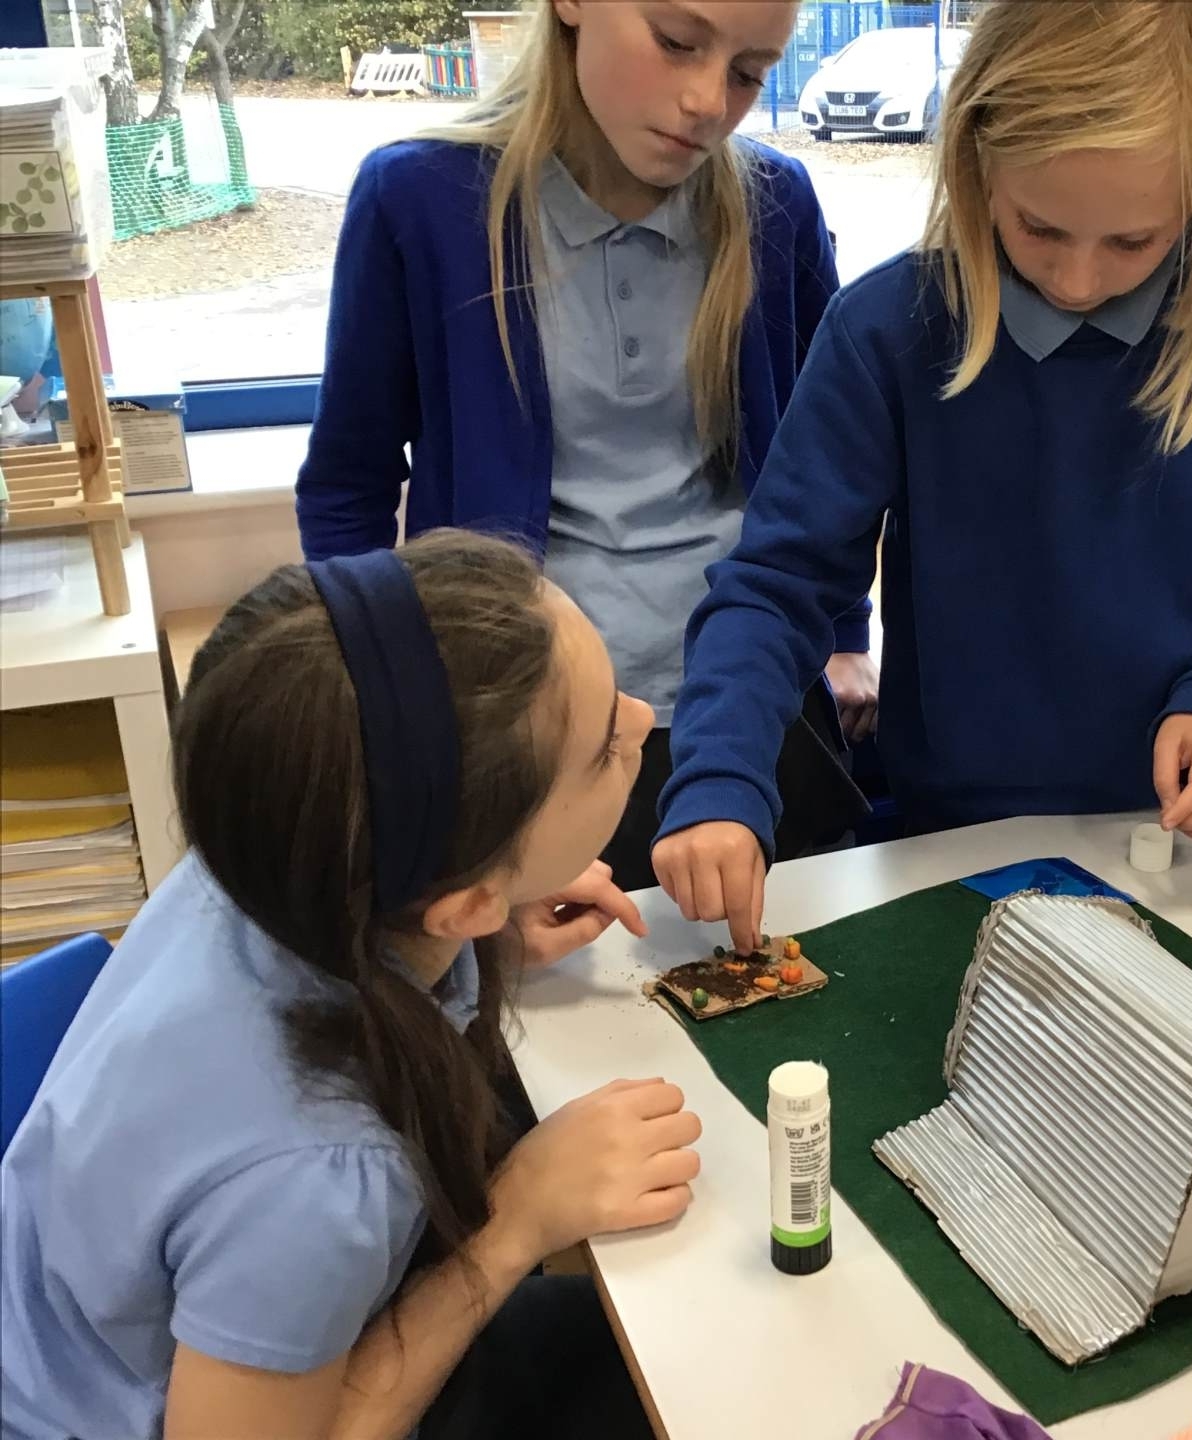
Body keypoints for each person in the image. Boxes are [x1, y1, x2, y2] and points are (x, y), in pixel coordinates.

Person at [651, 0, 1192, 950]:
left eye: (1132, 242)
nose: (1076, 281)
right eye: (1038, 227)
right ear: (976, 158)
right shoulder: (889, 328)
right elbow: (778, 583)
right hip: (953, 839)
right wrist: (720, 777)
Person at [0, 532, 695, 1438]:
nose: (640, 718)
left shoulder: (272, 848)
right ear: (461, 899)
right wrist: (517, 1220)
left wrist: (488, 925)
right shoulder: (320, 1172)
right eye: (603, 747)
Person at [294, 0, 873, 891]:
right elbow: (348, 481)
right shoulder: (419, 198)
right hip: (527, 728)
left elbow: (824, 468)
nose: (707, 101)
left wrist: (845, 634)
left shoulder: (775, 201)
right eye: (676, 42)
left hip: (748, 708)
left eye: (750, 73)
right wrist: (375, 692)